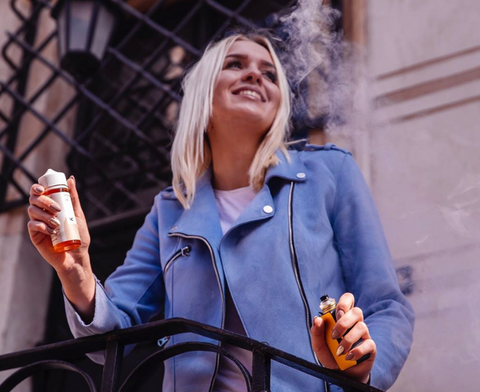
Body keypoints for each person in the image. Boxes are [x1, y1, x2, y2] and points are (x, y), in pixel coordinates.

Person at [27, 32, 414, 392]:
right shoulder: (169, 210)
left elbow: (387, 307)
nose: (254, 75)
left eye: (269, 73)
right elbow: (111, 334)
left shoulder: (328, 174)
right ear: (203, 94)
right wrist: (75, 271)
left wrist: (360, 371)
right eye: (235, 64)